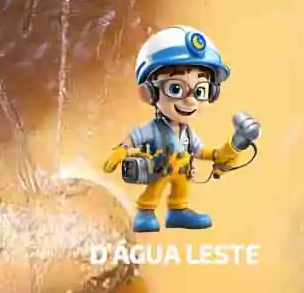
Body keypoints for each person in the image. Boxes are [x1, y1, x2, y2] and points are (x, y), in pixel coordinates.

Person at [102, 25, 243, 232]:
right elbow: (135, 137)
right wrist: (121, 150)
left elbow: (198, 151)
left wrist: (218, 154)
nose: (190, 101)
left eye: (200, 91)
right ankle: (146, 212)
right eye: (176, 88)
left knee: (182, 187)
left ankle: (178, 211)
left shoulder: (187, 132)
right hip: (160, 169)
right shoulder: (155, 129)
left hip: (182, 171)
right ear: (149, 93)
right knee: (155, 189)